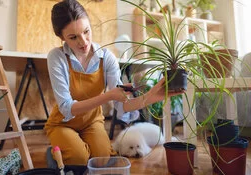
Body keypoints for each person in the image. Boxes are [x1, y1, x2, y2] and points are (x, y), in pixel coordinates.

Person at [44, 0, 184, 166]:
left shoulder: (106, 57)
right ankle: (62, 149)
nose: (83, 42)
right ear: (61, 37)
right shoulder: (57, 57)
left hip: (92, 122)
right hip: (63, 123)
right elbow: (67, 107)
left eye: (86, 31)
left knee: (102, 159)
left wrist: (152, 96)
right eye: (73, 37)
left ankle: (74, 147)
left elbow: (122, 105)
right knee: (78, 158)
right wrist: (107, 96)